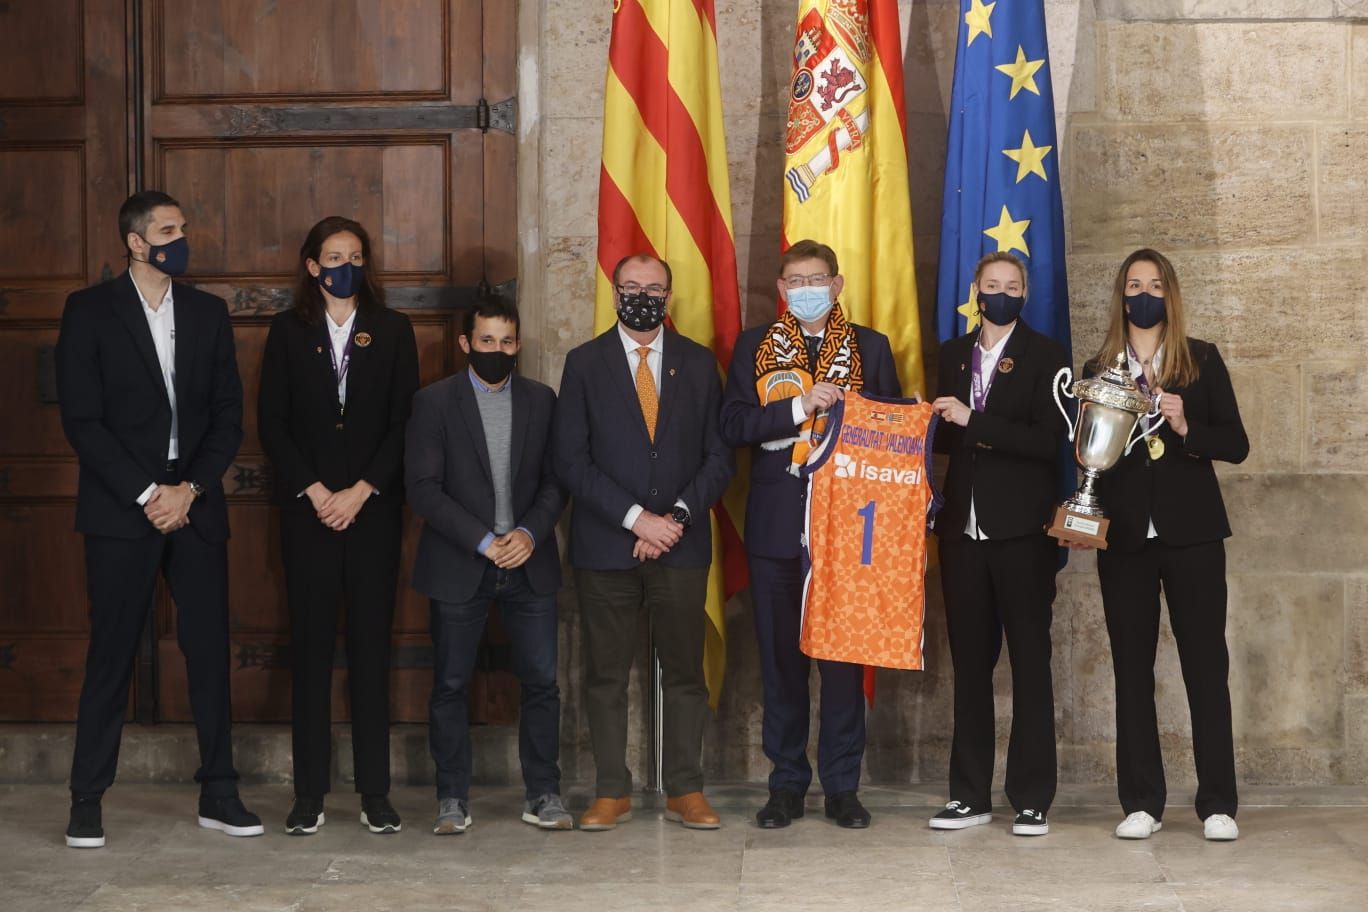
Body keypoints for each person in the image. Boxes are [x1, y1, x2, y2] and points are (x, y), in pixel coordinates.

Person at [56, 190, 261, 847]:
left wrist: (189, 489)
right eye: (169, 230)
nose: (182, 238)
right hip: (123, 511)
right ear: (136, 243)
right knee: (111, 656)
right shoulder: (88, 311)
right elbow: (81, 420)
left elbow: (229, 414)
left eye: (184, 228)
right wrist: (149, 492)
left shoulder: (207, 312)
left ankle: (220, 792)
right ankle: (87, 799)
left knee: (208, 655)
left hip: (195, 507)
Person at [719, 239, 900, 830]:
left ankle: (843, 786)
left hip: (849, 530)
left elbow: (891, 434)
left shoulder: (871, 347)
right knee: (781, 663)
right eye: (794, 281)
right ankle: (787, 783)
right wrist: (798, 406)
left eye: (815, 279)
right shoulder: (754, 346)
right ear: (780, 289)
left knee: (842, 665)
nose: (805, 290)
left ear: (837, 285)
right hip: (776, 527)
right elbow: (735, 424)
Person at [552, 254, 734, 831]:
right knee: (606, 674)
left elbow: (719, 454)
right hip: (608, 546)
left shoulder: (700, 365)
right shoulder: (583, 364)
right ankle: (611, 791)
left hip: (680, 544)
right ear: (613, 292)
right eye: (631, 287)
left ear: (669, 297)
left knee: (684, 670)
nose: (642, 296)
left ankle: (686, 789)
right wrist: (637, 520)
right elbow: (570, 461)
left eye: (653, 288)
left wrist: (674, 517)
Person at [258, 216, 418, 835]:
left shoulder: (393, 329)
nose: (344, 265)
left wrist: (362, 490)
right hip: (309, 516)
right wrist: (319, 491)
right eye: (333, 255)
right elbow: (273, 422)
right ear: (311, 265)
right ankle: (309, 794)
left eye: (354, 254)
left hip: (373, 514)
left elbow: (405, 421)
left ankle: (376, 793)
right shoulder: (288, 331)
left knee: (371, 655)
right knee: (312, 655)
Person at [1084, 248, 1248, 842]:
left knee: (1206, 666)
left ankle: (1218, 803)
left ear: (1169, 294)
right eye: (1134, 284)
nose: (1144, 294)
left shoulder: (1200, 360)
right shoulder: (1099, 366)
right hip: (1125, 539)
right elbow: (1087, 459)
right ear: (1121, 295)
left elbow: (1237, 444)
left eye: (1154, 284)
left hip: (1194, 537)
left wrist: (1186, 428)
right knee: (1131, 668)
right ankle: (1142, 802)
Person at [405, 299, 570, 834]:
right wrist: (482, 540)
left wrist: (526, 533)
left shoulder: (542, 400)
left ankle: (544, 794)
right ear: (465, 343)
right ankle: (452, 797)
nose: (496, 351)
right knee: (451, 684)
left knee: (542, 684)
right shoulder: (433, 403)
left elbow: (556, 480)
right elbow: (423, 490)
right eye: (486, 341)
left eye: (506, 342)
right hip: (461, 562)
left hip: (529, 562)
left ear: (517, 345)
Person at [928, 251, 1067, 837]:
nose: (1002, 293)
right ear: (976, 291)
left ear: (1025, 293)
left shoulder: (1047, 357)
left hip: (1022, 534)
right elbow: (940, 441)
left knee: (1031, 664)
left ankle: (1032, 796)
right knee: (970, 667)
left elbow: (1049, 441)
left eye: (1013, 285)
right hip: (963, 534)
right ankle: (969, 795)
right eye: (993, 285)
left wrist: (971, 420)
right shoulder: (953, 355)